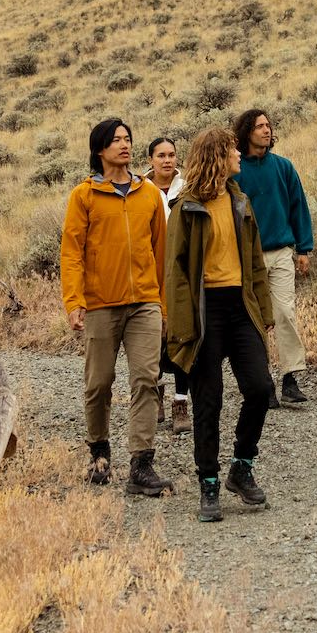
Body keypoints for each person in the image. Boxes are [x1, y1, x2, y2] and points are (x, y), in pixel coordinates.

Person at [163, 124, 276, 523]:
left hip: (240, 307)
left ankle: (241, 467)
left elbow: (256, 263)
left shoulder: (239, 201)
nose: (239, 155)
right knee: (208, 401)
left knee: (260, 388)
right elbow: (175, 273)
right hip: (203, 311)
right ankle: (208, 483)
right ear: (217, 156)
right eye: (232, 150)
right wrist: (179, 328)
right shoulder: (187, 207)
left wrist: (265, 314)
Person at [59, 118, 172, 497]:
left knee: (146, 380)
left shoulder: (149, 194)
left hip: (144, 303)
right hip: (100, 305)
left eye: (127, 139)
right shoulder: (84, 196)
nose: (124, 146)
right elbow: (71, 253)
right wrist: (74, 301)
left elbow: (161, 253)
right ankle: (99, 453)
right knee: (99, 384)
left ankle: (141, 464)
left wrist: (163, 304)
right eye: (115, 140)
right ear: (99, 150)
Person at [230, 106, 315, 409]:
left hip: (281, 253)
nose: (266, 130)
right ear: (246, 133)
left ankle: (291, 378)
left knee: (284, 312)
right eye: (259, 126)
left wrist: (304, 248)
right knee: (254, 321)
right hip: (245, 258)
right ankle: (262, 381)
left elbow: (298, 207)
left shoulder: (283, 167)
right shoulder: (236, 172)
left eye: (268, 125)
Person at [144, 134, 190, 431]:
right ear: (151, 160)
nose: (167, 160)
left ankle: (181, 401)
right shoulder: (140, 189)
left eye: (171, 154)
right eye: (161, 155)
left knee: (183, 335)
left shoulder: (187, 187)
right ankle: (156, 390)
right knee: (152, 337)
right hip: (151, 270)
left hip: (183, 269)